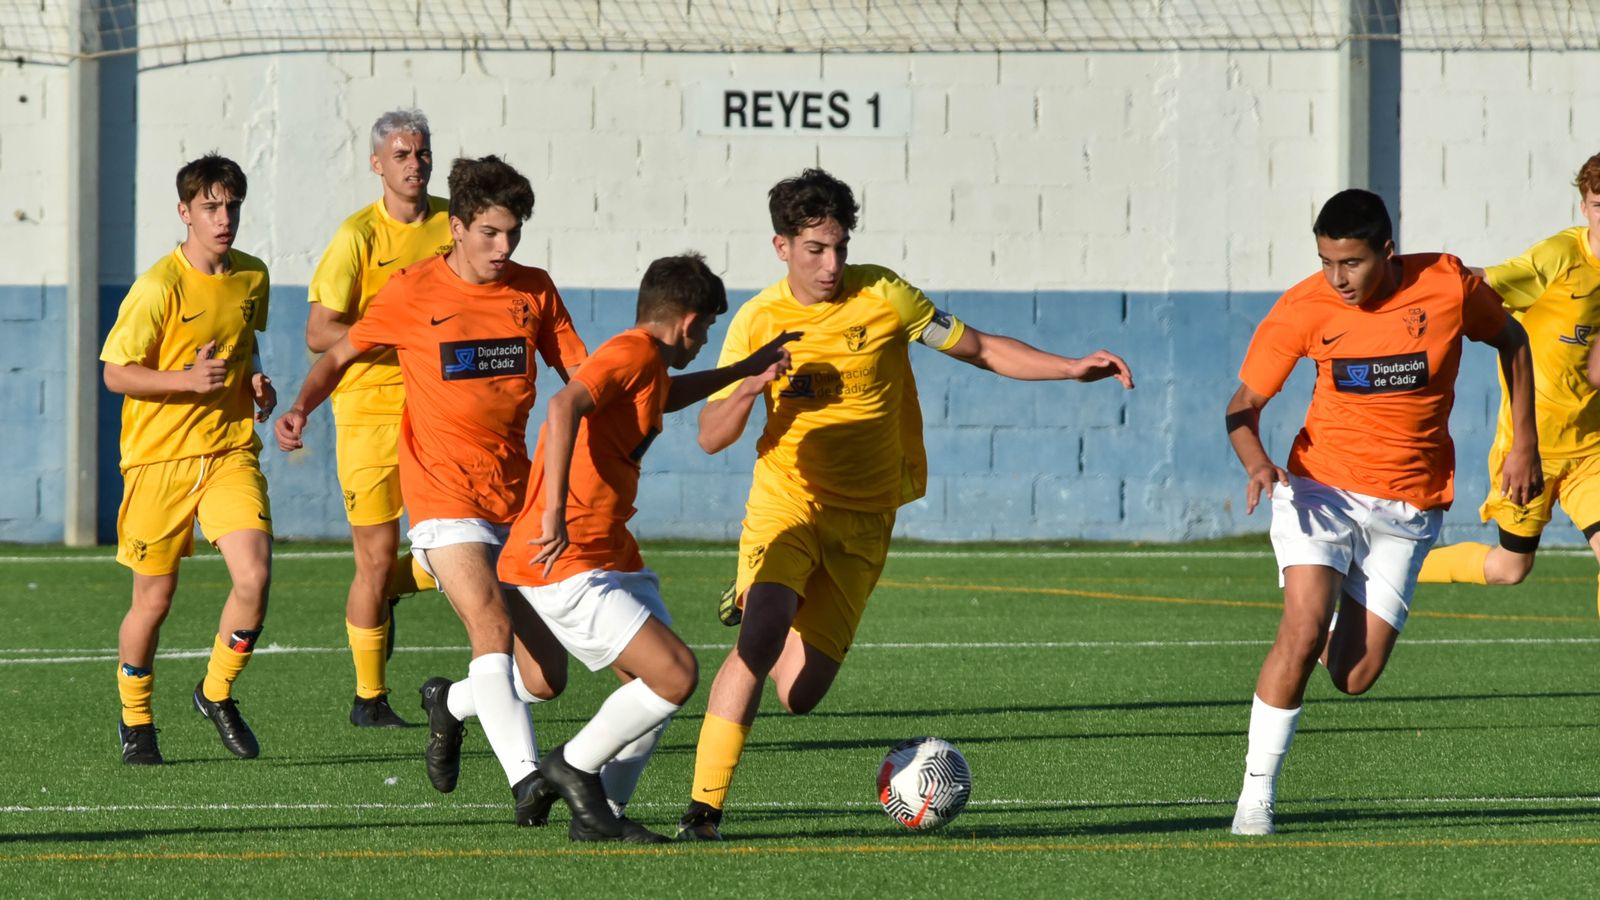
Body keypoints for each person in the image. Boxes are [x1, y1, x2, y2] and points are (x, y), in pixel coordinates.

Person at [675, 168, 1135, 840]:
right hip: (788, 502)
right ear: (781, 247)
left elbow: (977, 347)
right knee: (762, 635)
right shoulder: (757, 321)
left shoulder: (885, 293)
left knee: (798, 696)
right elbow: (712, 437)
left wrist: (1069, 367)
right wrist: (750, 385)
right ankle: (703, 811)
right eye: (814, 250)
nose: (831, 264)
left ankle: (762, 596)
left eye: (839, 247)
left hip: (866, 520)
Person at [275, 155, 587, 822]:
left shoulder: (533, 291)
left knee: (544, 677)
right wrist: (302, 406)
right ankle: (527, 782)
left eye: (514, 234)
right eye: (491, 233)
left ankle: (450, 704)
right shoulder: (413, 292)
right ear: (457, 227)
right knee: (491, 626)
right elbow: (337, 355)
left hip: (514, 497)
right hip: (443, 493)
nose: (504, 248)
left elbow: (582, 373)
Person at [1223, 189, 1541, 836]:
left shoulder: (1447, 285)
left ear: (1387, 253)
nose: (1336, 279)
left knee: (1354, 676)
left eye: (1352, 264)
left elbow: (1512, 339)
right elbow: (1242, 405)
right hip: (1320, 489)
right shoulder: (1305, 306)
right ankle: (1255, 793)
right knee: (1302, 626)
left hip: (1408, 503)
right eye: (1325, 262)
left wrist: (1525, 443)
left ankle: (1337, 613)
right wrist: (1257, 462)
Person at [498, 254, 799, 843]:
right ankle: (571, 766)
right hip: (567, 558)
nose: (705, 338)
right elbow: (563, 407)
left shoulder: (649, 365)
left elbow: (665, 394)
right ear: (688, 323)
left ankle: (600, 814)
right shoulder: (632, 350)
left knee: (651, 690)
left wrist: (745, 370)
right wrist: (554, 510)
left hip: (610, 554)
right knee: (676, 675)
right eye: (708, 328)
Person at [101, 153, 278, 765]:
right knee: (153, 602)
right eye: (210, 207)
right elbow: (116, 374)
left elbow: (244, 350)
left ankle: (216, 691)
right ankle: (136, 719)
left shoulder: (253, 276)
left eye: (230, 206)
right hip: (159, 461)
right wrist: (184, 380)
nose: (223, 217)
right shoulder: (157, 287)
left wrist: (257, 384)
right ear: (185, 212)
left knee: (254, 577)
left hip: (229, 450)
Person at [305, 108, 452, 728]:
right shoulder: (356, 236)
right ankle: (370, 699)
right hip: (368, 413)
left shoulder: (454, 222)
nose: (413, 164)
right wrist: (403, 338)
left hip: (443, 412)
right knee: (374, 556)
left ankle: (386, 591)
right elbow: (319, 331)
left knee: (472, 540)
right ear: (377, 165)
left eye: (420, 153)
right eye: (400, 155)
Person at [1419, 152, 1600, 610]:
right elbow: (1479, 282)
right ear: (1584, 207)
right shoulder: (1559, 257)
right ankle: (1391, 568)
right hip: (1532, 447)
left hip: (1593, 450)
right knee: (1509, 568)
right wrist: (1405, 286)